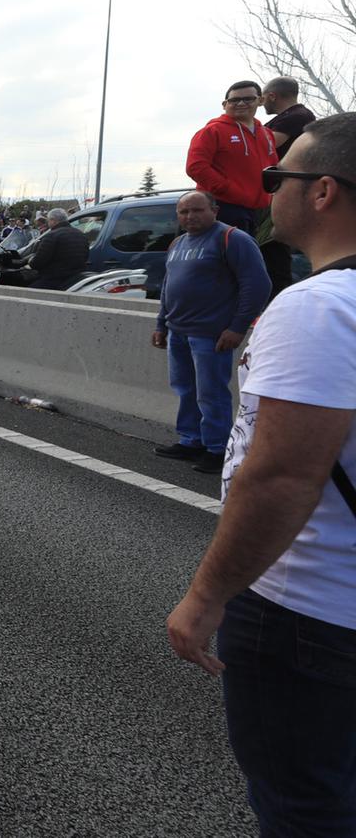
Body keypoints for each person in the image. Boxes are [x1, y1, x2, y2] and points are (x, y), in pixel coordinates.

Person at [167, 112, 356, 834]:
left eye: (278, 176)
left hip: (307, 611)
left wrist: (206, 596)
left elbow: (280, 478)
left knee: (303, 807)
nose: (265, 188)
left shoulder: (318, 308)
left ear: (323, 191)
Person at [152, 192, 270, 474]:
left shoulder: (233, 239)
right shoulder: (178, 243)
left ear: (214, 210)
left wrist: (237, 327)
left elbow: (257, 285)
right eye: (183, 212)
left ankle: (217, 449)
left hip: (211, 334)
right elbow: (168, 287)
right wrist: (161, 324)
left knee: (211, 393)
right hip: (178, 331)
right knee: (185, 389)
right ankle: (191, 440)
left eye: (197, 210)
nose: (189, 216)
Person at [186, 79, 278, 233]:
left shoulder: (267, 133)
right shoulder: (212, 131)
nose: (241, 103)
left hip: (260, 211)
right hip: (223, 208)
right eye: (234, 100)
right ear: (225, 104)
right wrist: (228, 190)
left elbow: (273, 168)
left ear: (260, 101)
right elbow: (196, 167)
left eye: (248, 99)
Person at [260, 76, 317, 298]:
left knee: (273, 249)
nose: (260, 103)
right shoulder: (288, 117)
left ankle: (277, 297)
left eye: (262, 98)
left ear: (272, 96)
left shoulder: (297, 116)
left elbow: (266, 145)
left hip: (284, 191)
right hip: (277, 191)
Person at [0, 208, 88, 290]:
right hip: (76, 276)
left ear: (53, 220)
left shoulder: (51, 236)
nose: (48, 223)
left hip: (55, 278)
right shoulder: (81, 234)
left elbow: (38, 262)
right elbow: (85, 256)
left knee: (27, 293)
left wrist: (30, 261)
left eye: (48, 220)